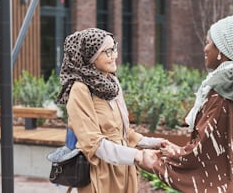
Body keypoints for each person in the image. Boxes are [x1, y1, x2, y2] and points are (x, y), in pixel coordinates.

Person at [139, 14, 233, 193]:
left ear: (221, 49)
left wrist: (159, 160)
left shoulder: (225, 88)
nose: (204, 49)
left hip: (225, 185)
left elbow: (203, 148)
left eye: (208, 43)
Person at [56, 28, 162, 193]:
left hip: (124, 171)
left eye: (115, 48)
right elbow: (92, 143)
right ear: (90, 56)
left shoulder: (111, 83)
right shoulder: (80, 89)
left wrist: (155, 143)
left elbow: (122, 132)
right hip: (100, 175)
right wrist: (136, 155)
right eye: (107, 51)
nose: (115, 55)